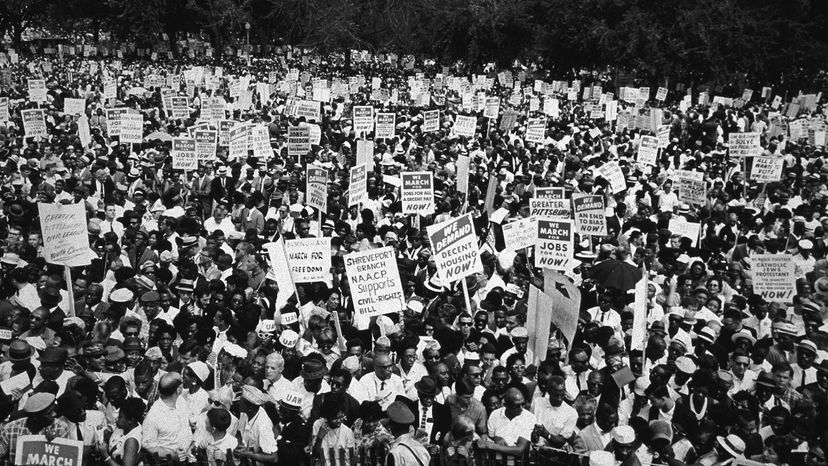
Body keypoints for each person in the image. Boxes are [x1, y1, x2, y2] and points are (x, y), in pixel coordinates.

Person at [0, 392, 72, 461]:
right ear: (34, 417)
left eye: (54, 410)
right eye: (49, 413)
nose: (54, 414)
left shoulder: (60, 428)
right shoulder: (10, 429)